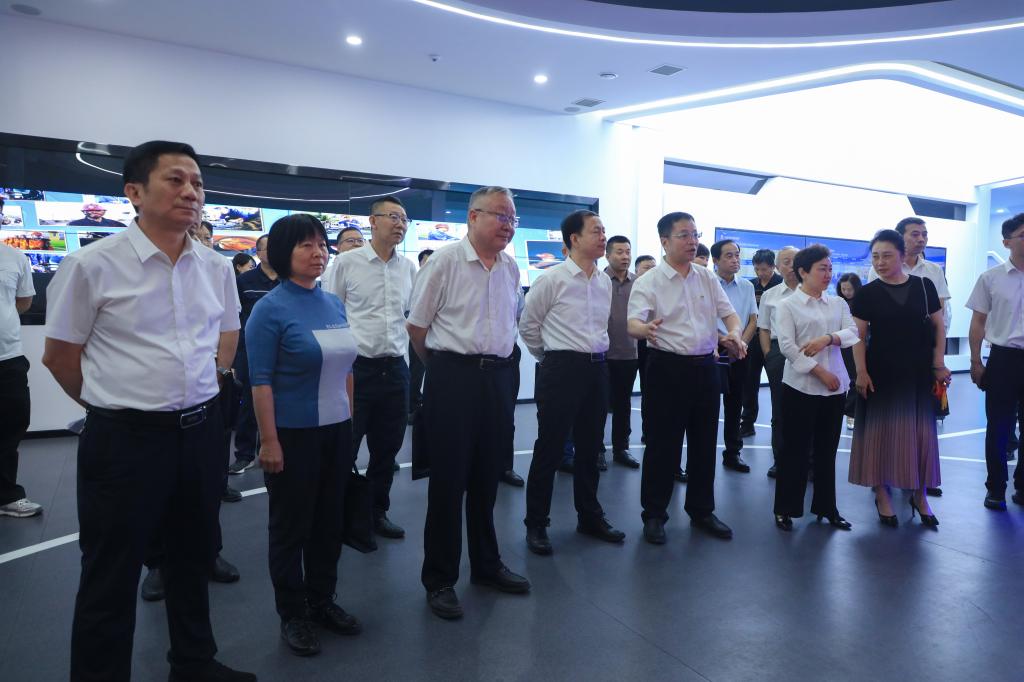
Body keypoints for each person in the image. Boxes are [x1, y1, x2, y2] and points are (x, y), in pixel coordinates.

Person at [41, 140, 254, 681]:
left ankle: (194, 664)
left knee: (192, 557)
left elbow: (227, 331)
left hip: (200, 432)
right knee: (110, 572)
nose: (191, 192)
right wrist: (113, 404)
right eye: (175, 180)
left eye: (197, 183)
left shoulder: (215, 267)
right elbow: (60, 357)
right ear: (134, 192)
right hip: (124, 440)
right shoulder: (91, 264)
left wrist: (213, 379)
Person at [407, 186, 530, 620]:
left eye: (512, 218)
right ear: (473, 217)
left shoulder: (510, 267)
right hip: (453, 377)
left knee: (487, 477)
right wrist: (444, 370)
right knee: (448, 481)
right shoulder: (444, 262)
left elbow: (512, 321)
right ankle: (439, 578)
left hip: (498, 377)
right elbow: (417, 327)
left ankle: (486, 564)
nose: (508, 225)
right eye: (500, 215)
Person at [244, 214, 360, 657]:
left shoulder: (332, 303)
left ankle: (322, 600)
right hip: (292, 435)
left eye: (322, 245)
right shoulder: (269, 310)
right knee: (291, 528)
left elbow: (346, 368)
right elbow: (260, 383)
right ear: (282, 252)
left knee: (329, 523)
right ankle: (293, 614)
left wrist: (349, 422)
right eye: (305, 245)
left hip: (336, 431)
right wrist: (269, 441)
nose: (318, 253)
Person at [628, 212, 746, 544]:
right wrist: (645, 329)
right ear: (665, 241)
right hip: (667, 368)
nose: (692, 241)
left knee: (705, 443)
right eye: (684, 235)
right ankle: (654, 514)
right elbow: (632, 323)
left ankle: (702, 510)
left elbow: (729, 314)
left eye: (695, 234)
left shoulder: (706, 277)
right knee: (662, 445)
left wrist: (734, 334)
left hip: (706, 367)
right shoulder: (649, 281)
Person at [520, 211, 626, 555]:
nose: (603, 237)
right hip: (561, 368)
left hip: (597, 368)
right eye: (596, 231)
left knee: (591, 448)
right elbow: (528, 326)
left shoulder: (603, 282)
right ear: (574, 239)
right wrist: (550, 358)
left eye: (604, 231)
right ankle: (537, 523)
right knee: (550, 448)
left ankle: (589, 516)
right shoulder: (551, 280)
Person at [322, 196, 416, 539]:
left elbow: (412, 314)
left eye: (404, 219)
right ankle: (335, 514)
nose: (400, 224)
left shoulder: (408, 268)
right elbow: (331, 314)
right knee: (345, 445)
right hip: (355, 370)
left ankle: (377, 512)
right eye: (393, 216)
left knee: (387, 448)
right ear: (373, 221)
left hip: (396, 369)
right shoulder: (346, 263)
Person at [848, 229, 948, 528]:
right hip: (881, 373)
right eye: (875, 256)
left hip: (918, 372)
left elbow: (939, 328)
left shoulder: (924, 286)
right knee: (879, 435)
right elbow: (858, 337)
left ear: (903, 256)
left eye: (887, 256)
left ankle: (920, 495)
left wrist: (939, 363)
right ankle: (882, 494)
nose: (880, 262)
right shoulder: (867, 293)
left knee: (920, 435)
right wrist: (861, 372)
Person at [773, 245, 857, 531]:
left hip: (834, 388)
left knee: (826, 450)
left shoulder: (838, 303)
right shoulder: (787, 305)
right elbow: (787, 347)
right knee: (794, 450)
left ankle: (826, 507)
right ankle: (785, 508)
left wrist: (827, 339)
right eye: (822, 268)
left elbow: (852, 333)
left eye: (830, 268)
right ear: (803, 272)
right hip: (801, 387)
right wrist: (820, 372)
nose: (828, 274)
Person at [966, 212, 1024, 511]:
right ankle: (996, 488)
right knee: (999, 426)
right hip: (1003, 358)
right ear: (1006, 242)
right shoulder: (991, 278)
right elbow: (977, 323)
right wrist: (976, 362)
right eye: (1023, 236)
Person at [0, 197, 41, 518]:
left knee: (11, 424)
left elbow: (23, 300)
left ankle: (6, 495)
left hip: (8, 356)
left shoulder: (14, 256)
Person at [228, 234, 280, 474]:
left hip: (283, 352)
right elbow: (233, 318)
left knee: (280, 402)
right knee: (249, 403)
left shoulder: (289, 279)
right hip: (250, 352)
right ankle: (245, 454)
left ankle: (271, 448)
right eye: (267, 248)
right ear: (258, 253)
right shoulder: (244, 280)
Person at [710, 239, 758, 473]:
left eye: (737, 255)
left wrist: (741, 344)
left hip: (740, 351)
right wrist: (724, 340)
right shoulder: (708, 284)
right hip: (712, 350)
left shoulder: (747, 286)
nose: (735, 260)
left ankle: (732, 453)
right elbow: (703, 319)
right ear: (716, 260)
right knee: (708, 407)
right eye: (728, 255)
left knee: (735, 404)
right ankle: (704, 453)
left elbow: (752, 320)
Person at [757, 246, 800, 479]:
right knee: (780, 408)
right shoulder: (770, 295)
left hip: (808, 351)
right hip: (778, 353)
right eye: (786, 261)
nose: (791, 266)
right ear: (777, 267)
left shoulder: (814, 291)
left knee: (807, 407)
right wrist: (768, 354)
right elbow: (763, 328)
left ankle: (808, 461)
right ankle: (780, 460)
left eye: (795, 260)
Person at [869, 217, 951, 332]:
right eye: (915, 235)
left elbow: (940, 311)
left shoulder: (935, 270)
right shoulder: (879, 269)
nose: (921, 239)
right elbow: (873, 306)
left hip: (924, 337)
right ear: (899, 238)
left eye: (924, 234)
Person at [603, 235, 640, 469]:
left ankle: (621, 448)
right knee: (597, 405)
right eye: (619, 252)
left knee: (623, 403)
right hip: (601, 354)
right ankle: (596, 449)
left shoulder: (639, 282)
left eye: (627, 251)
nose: (625, 256)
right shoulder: (598, 280)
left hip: (629, 353)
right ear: (607, 255)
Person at [740, 248, 782, 436]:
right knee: (749, 384)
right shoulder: (751, 285)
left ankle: (778, 426)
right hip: (751, 340)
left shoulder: (781, 285)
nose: (760, 273)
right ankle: (747, 423)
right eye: (757, 269)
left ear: (773, 266)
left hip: (773, 342)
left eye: (764, 269)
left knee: (777, 386)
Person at [408, 248, 434, 419]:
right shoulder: (415, 280)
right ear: (420, 263)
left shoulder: (441, 279)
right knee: (416, 372)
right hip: (418, 333)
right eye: (427, 261)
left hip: (438, 335)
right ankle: (412, 407)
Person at [836, 273, 862, 430]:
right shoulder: (838, 303)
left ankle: (851, 414)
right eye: (843, 289)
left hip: (857, 345)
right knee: (842, 379)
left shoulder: (862, 302)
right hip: (841, 346)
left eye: (849, 289)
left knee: (855, 379)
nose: (846, 292)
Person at [634, 255, 656, 445]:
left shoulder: (660, 289)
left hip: (649, 345)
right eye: (646, 268)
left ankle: (648, 432)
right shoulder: (633, 288)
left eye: (653, 268)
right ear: (636, 271)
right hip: (624, 347)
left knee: (650, 391)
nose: (651, 271)